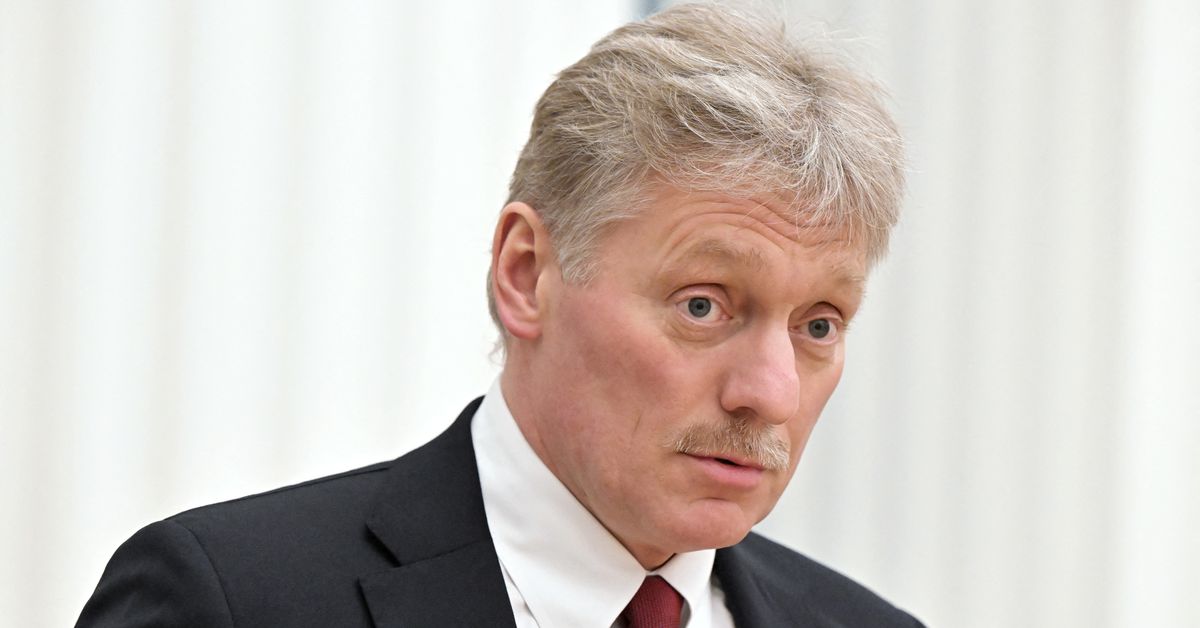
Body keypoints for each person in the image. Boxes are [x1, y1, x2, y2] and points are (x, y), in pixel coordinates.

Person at [77, 4, 922, 627]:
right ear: (526, 274)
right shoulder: (232, 602)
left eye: (818, 324)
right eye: (703, 305)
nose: (771, 393)